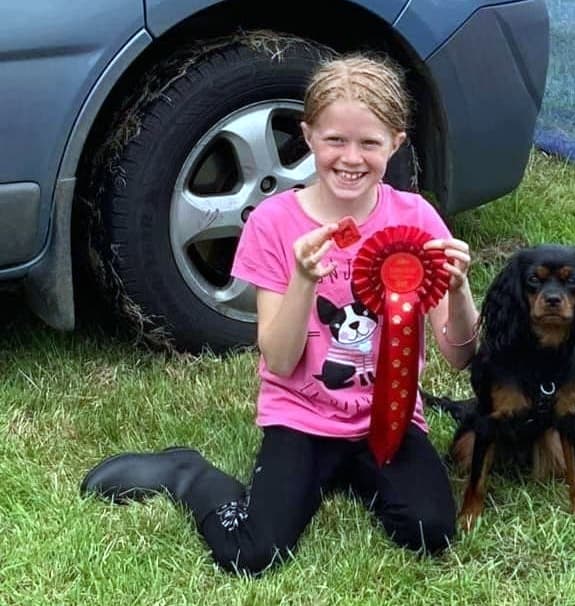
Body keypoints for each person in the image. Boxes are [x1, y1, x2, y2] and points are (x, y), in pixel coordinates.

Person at [80, 53, 479, 575]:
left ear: (396, 143)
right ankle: (188, 474)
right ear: (308, 134)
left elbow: (458, 357)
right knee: (251, 552)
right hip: (303, 416)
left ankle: (353, 471)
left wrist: (461, 289)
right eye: (335, 139)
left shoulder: (417, 219)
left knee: (431, 532)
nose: (351, 157)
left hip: (389, 415)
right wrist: (304, 281)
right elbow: (281, 356)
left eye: (369, 143)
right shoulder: (273, 222)